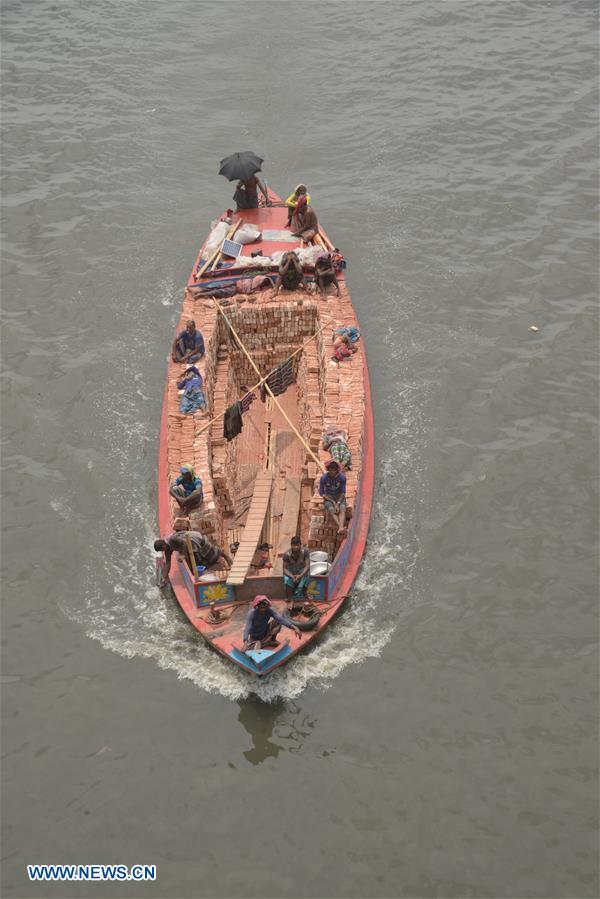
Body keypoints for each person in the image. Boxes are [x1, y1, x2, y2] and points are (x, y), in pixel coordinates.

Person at [154, 530, 233, 583]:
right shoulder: (167, 549)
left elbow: (184, 543)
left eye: (162, 550)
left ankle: (225, 556)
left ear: (163, 546)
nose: (163, 551)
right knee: (200, 559)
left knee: (209, 551)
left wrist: (183, 555)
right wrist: (164, 577)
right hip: (189, 544)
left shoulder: (172, 539)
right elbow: (168, 563)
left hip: (194, 538)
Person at [319, 460, 347, 535]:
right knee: (332, 510)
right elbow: (322, 493)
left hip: (339, 496)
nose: (332, 472)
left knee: (342, 508)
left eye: (334, 470)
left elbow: (343, 492)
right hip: (329, 496)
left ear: (337, 470)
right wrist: (333, 502)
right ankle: (341, 527)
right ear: (328, 470)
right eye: (331, 470)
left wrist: (338, 503)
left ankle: (341, 527)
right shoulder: (323, 478)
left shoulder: (342, 477)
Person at [282, 536, 311, 606]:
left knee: (307, 574)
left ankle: (305, 593)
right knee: (287, 578)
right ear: (291, 545)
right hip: (291, 572)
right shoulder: (286, 554)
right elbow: (284, 569)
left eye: (298, 545)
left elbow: (307, 566)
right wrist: (292, 577)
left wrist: (300, 576)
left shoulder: (305, 551)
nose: (296, 547)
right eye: (294, 545)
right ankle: (290, 598)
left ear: (300, 545)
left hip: (301, 571)